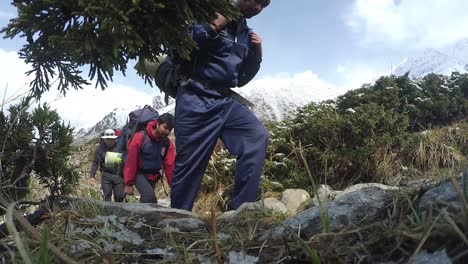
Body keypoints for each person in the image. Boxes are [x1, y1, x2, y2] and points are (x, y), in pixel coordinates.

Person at [171, 0, 271, 211]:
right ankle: (177, 220)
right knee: (188, 166)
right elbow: (183, 46)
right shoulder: (209, 11)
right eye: (257, 1)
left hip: (225, 101)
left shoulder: (245, 32)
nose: (259, 9)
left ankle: (240, 212)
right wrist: (217, 22)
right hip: (195, 97)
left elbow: (240, 79)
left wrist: (257, 57)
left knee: (256, 136)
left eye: (265, 6)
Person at [123, 113, 175, 203]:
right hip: (139, 174)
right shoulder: (140, 137)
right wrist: (128, 184)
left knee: (150, 201)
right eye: (165, 127)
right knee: (149, 196)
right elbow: (131, 161)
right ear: (157, 124)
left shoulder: (167, 144)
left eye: (169, 130)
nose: (167, 132)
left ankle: (139, 217)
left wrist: (173, 185)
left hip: (153, 176)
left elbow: (170, 166)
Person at [89, 129, 125, 202]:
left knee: (119, 196)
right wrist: (92, 176)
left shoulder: (120, 147)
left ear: (114, 138)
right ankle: (107, 213)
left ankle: (120, 212)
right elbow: (95, 162)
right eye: (107, 139)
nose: (109, 141)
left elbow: (125, 161)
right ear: (104, 139)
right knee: (106, 196)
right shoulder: (100, 149)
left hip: (119, 176)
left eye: (111, 139)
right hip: (106, 175)